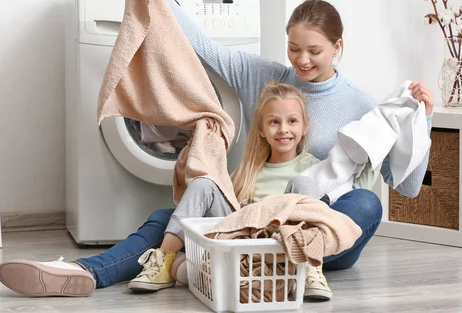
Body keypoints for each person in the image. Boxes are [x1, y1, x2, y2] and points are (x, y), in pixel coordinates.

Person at [0, 0, 434, 298]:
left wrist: (422, 119)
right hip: (254, 227)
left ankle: (240, 267)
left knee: (365, 203)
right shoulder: (265, 78)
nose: (301, 61)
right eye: (294, 48)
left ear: (337, 48)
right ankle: (85, 273)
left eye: (314, 52)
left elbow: (406, 185)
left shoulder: (359, 103)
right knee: (169, 217)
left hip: (319, 243)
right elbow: (203, 48)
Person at [128, 81, 333, 300]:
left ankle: (311, 267)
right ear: (262, 130)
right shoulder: (247, 170)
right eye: (274, 122)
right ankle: (163, 260)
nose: (283, 129)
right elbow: (230, 219)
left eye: (292, 121)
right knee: (204, 183)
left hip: (282, 244)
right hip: (242, 241)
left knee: (303, 184)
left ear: (305, 125)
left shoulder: (314, 168)